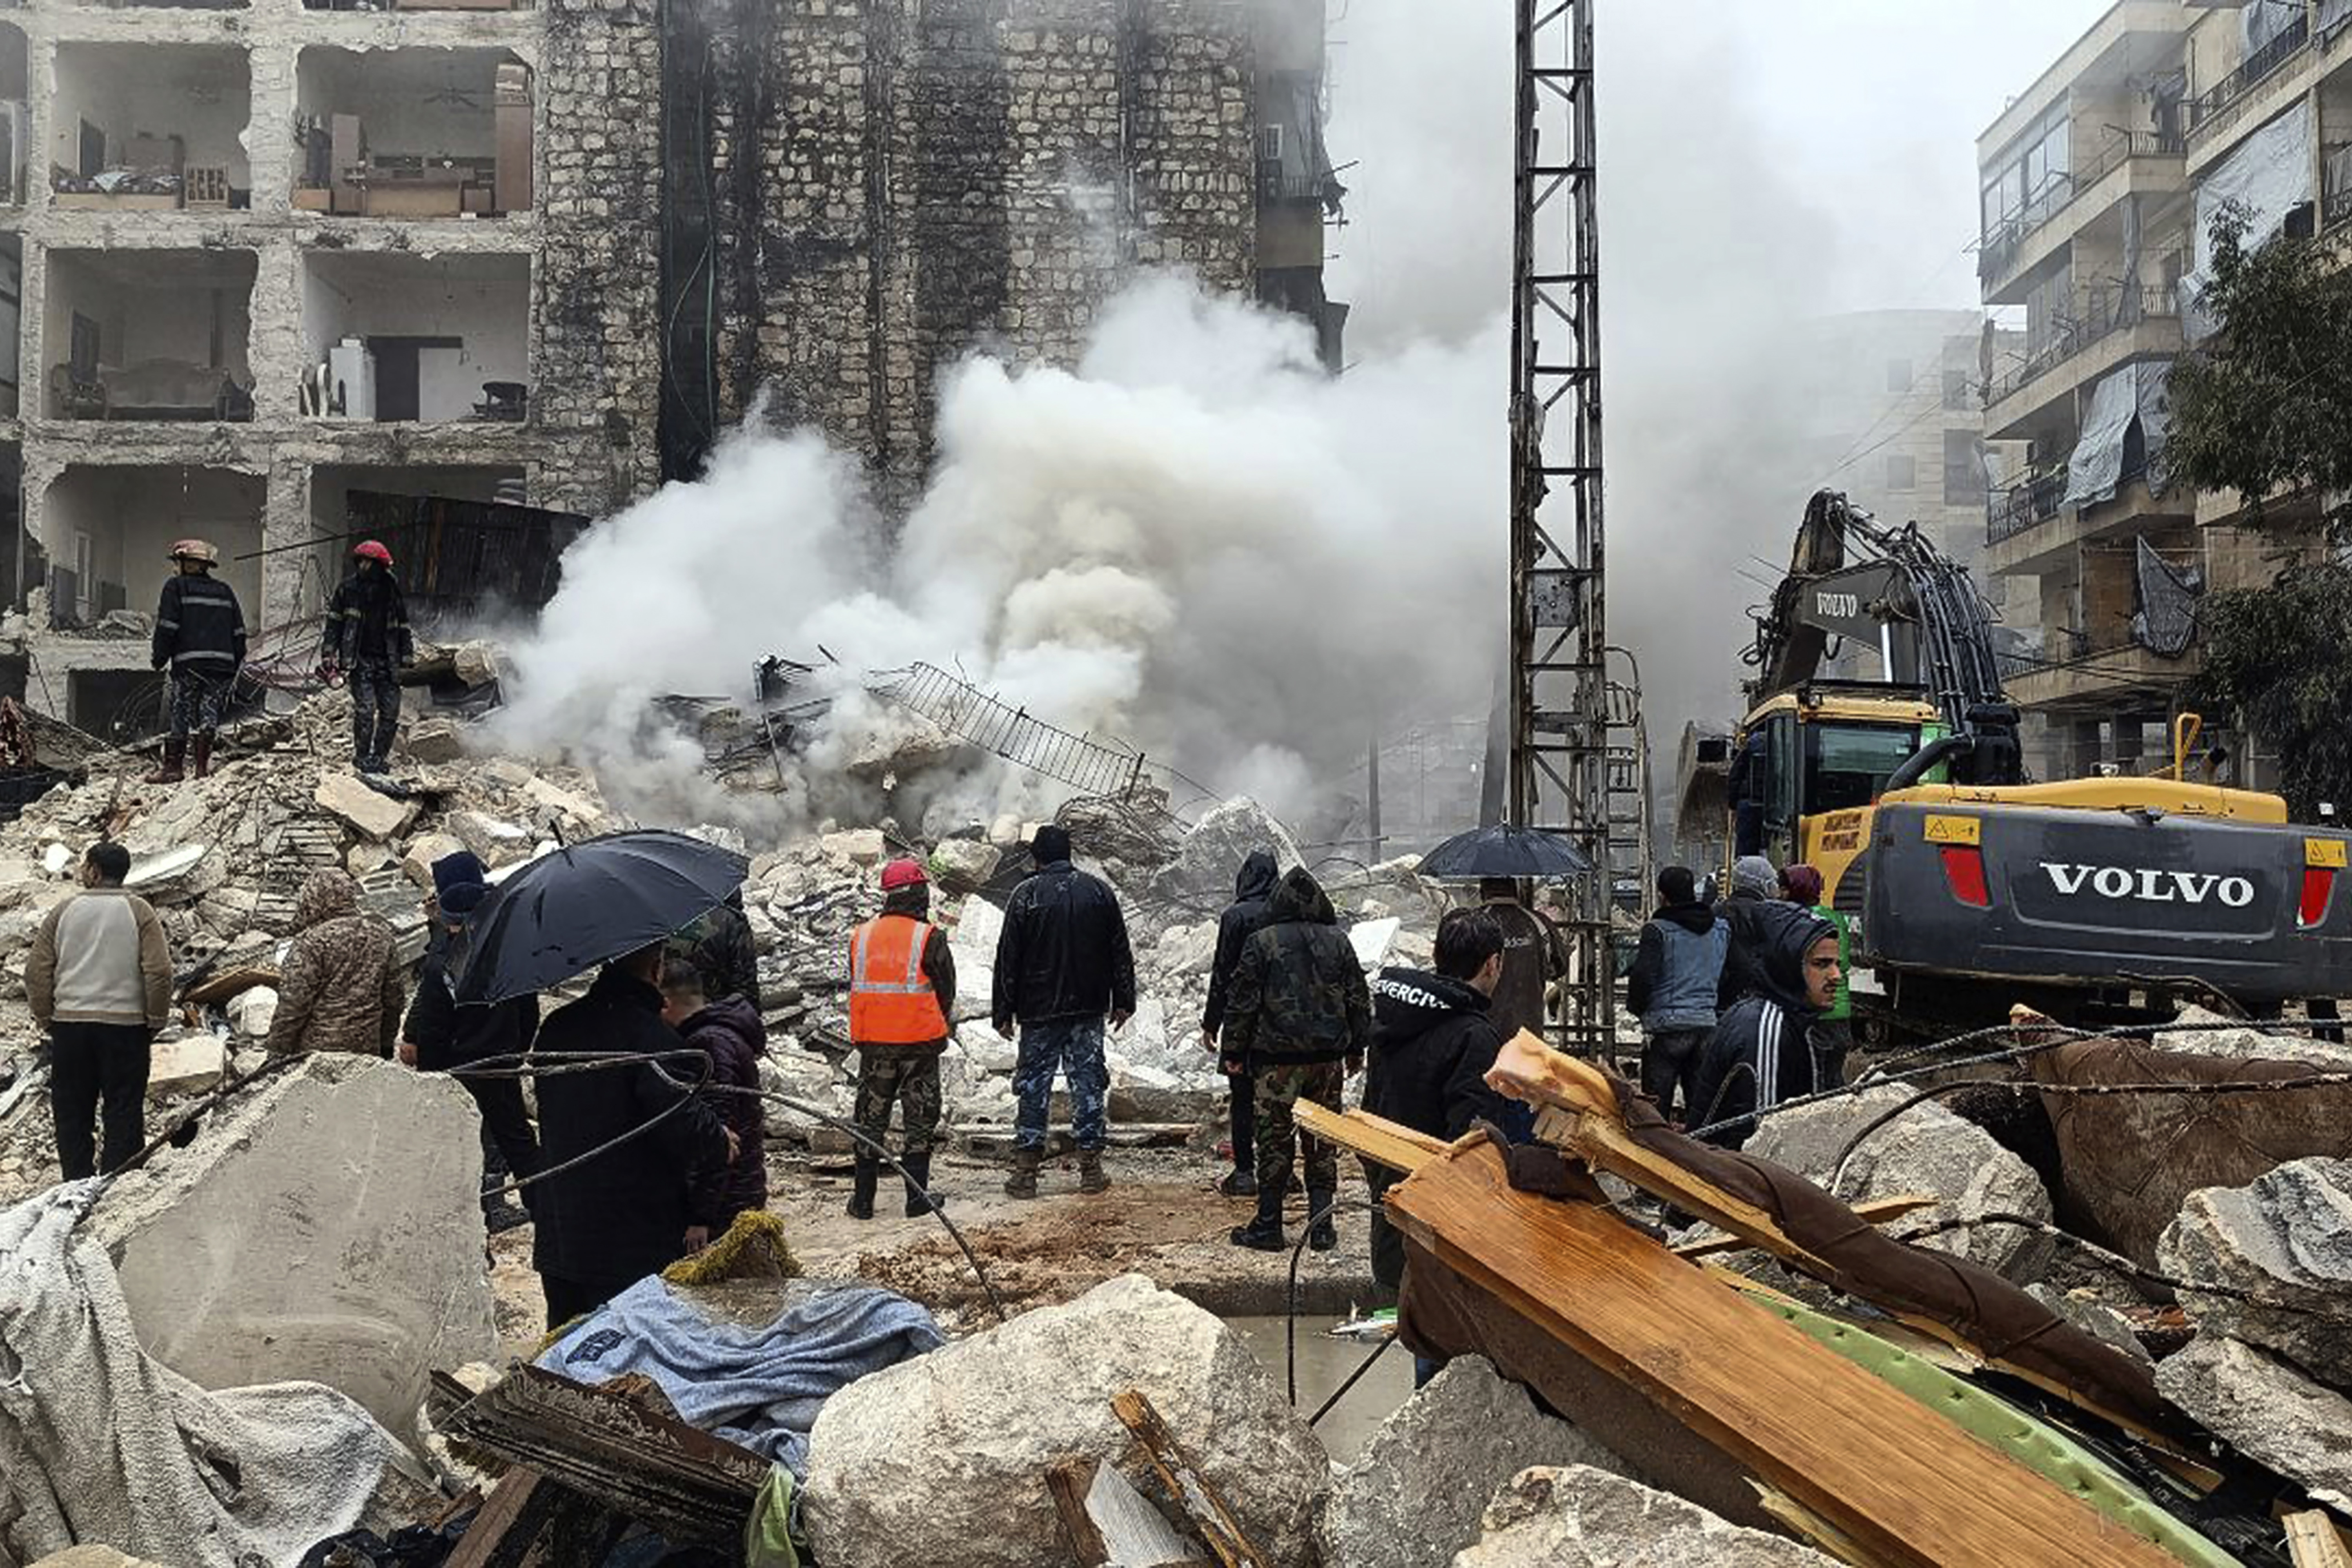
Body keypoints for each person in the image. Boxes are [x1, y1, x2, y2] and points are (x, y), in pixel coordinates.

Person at [531, 941, 739, 1328]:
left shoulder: (557, 1026)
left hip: (561, 1225)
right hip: (629, 1235)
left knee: (562, 1353)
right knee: (629, 1353)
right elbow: (680, 1120)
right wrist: (717, 1137)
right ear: (657, 970)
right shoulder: (650, 1037)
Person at [1361, 907, 1517, 1289]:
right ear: (1493, 964)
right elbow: (1473, 1138)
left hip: (1390, 1194)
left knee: (1399, 1312)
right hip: (1442, 1218)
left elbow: (1370, 1108)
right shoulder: (1474, 1037)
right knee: (1438, 1330)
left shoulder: (1393, 1016)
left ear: (1436, 955)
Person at [1222, 867, 1371, 1253]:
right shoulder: (1339, 942)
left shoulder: (1261, 942)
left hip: (1276, 1064)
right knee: (1322, 1143)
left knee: (1273, 1141)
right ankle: (1322, 1228)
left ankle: (1269, 1225)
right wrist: (1358, 1047)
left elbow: (1243, 1001)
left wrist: (1234, 1052)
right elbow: (1358, 997)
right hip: (1327, 1064)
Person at [399, 851, 541, 1232]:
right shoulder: (509, 949)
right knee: (517, 1139)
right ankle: (544, 1205)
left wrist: (432, 1076)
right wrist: (517, 1048)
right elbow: (528, 1009)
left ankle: (458, 1218)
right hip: (500, 1060)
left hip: (457, 1067)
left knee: (452, 1143)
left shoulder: (442, 964)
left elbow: (433, 1025)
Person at [993, 824, 1136, 1199]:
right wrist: (1124, 1000)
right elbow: (1119, 950)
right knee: (1087, 1083)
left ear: (1037, 857)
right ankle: (1090, 1169)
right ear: (1069, 855)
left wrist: (1003, 1011)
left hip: (1038, 1011)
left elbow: (1008, 958)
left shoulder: (1025, 896)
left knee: (1034, 1087)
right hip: (1088, 1008)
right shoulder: (1099, 892)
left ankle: (1026, 1174)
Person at [25, 842, 171, 1179]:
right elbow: (160, 972)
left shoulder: (64, 911)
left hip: (71, 1027)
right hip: (127, 1028)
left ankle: (75, 1184)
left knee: (72, 1112)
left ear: (93, 871)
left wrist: (47, 1018)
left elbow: (37, 972)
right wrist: (156, 1020)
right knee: (124, 1109)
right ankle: (115, 1185)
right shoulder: (140, 911)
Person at [844, 857, 956, 1220]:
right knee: (919, 1120)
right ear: (920, 894)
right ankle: (916, 1198)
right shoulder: (929, 937)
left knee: (870, 1119)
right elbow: (946, 991)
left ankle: (862, 1202)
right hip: (919, 1046)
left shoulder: (861, 937)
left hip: (873, 1046)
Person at [1687, 899, 1842, 1149]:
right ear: (1787, 965)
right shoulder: (1765, 1029)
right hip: (1727, 1180)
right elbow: (1763, 1142)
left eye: (1837, 964)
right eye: (1821, 964)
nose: (1836, 976)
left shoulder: (1792, 1018)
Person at [660, 953, 769, 1234]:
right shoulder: (722, 1034)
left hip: (728, 1203)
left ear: (666, 1003)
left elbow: (716, 1137)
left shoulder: (708, 1045)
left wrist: (701, 1215)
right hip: (739, 1191)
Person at [1200, 848, 1280, 1198]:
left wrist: (1211, 1022)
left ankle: (1245, 1173)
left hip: (1242, 1024)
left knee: (1243, 1098)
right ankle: (1281, 1172)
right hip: (1282, 1022)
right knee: (1280, 1101)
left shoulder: (1235, 917)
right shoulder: (1284, 914)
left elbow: (1222, 973)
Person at [1623, 865, 1729, 1124]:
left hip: (1666, 1029)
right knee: (1701, 1110)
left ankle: (1658, 1160)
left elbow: (1644, 977)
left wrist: (1637, 1008)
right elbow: (1729, 973)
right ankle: (1700, 1158)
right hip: (1706, 1025)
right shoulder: (1721, 929)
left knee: (1655, 1113)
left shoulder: (1657, 930)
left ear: (1663, 895)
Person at [267, 869, 405, 1057]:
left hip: (318, 1055)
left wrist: (276, 1052)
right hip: (367, 1050)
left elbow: (293, 1005)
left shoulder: (312, 942)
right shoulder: (381, 937)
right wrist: (387, 1043)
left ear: (315, 898)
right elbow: (393, 999)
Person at [146, 539, 245, 785]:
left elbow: (167, 627)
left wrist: (159, 658)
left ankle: (174, 768)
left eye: (177, 563)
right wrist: (234, 664)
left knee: (181, 711)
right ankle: (202, 769)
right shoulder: (225, 590)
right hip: (222, 665)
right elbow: (239, 632)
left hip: (189, 665)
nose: (175, 568)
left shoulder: (176, 587)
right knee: (209, 711)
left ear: (185, 564)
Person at [321, 539, 414, 775]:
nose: (363, 566)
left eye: (369, 562)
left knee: (390, 713)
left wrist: (407, 655)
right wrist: (329, 652)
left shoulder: (392, 590)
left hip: (388, 661)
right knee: (365, 710)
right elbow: (334, 624)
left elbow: (404, 625)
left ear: (380, 565)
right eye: (361, 561)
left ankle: (379, 758)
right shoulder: (347, 590)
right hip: (359, 660)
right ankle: (362, 757)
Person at [1779, 861, 1852, 1090]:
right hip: (1840, 1012)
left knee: (1814, 1084)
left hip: (1812, 1015)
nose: (1780, 893)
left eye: (1784, 888)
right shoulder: (1836, 918)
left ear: (1796, 889)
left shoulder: (1794, 921)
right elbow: (1846, 963)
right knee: (1835, 1080)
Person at [1478, 877, 1564, 1045]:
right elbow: (1558, 968)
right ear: (1517, 891)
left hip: (1484, 1034)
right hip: (1529, 1033)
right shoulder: (1539, 923)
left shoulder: (1474, 923)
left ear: (1483, 891)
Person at [674, 890, 762, 1010]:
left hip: (672, 1016)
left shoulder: (660, 921)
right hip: (721, 1016)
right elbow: (746, 988)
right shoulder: (730, 920)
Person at [1716, 853, 1780, 1010]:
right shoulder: (1769, 914)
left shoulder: (1717, 911)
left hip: (1722, 997)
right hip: (1758, 996)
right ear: (1762, 883)